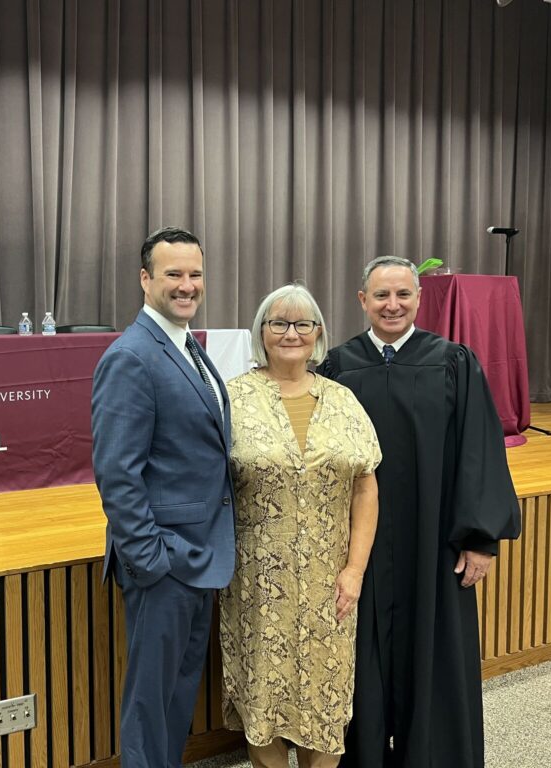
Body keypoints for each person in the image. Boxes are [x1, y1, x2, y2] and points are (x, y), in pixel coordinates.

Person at [318, 256, 521, 768]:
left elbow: (479, 449)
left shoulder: (452, 362)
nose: (393, 305)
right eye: (381, 295)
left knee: (435, 650)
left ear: (418, 299)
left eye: (403, 294)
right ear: (361, 301)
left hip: (435, 541)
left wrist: (479, 537)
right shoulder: (339, 366)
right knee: (361, 652)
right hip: (357, 542)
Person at [91, 226, 235, 767]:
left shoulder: (184, 346)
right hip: (166, 563)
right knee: (151, 708)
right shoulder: (132, 356)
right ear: (145, 278)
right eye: (173, 274)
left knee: (176, 698)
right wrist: (152, 560)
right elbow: (116, 474)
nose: (187, 285)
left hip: (199, 556)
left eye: (195, 274)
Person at [220, 284, 381, 768]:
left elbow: (365, 489)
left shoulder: (344, 399)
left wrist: (354, 571)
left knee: (325, 698)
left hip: (330, 583)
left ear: (318, 334)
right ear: (261, 333)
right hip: (255, 583)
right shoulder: (232, 398)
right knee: (262, 699)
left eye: (303, 324)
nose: (291, 333)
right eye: (279, 323)